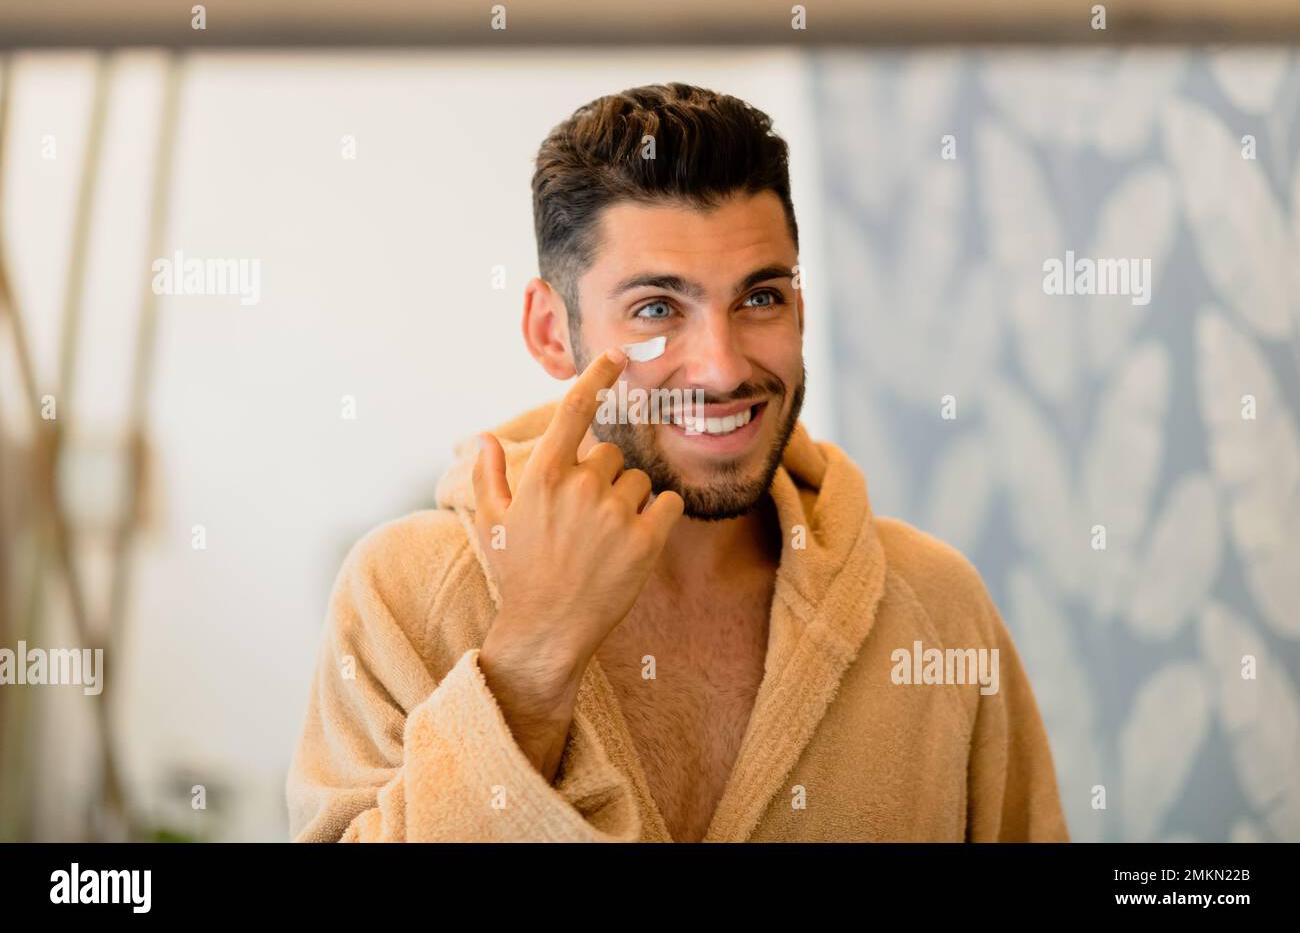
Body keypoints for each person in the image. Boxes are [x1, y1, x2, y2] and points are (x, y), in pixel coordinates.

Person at [285, 82, 1069, 843]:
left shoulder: (932, 605)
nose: (722, 369)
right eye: (658, 308)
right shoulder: (406, 596)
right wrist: (527, 666)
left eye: (760, 298)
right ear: (552, 333)